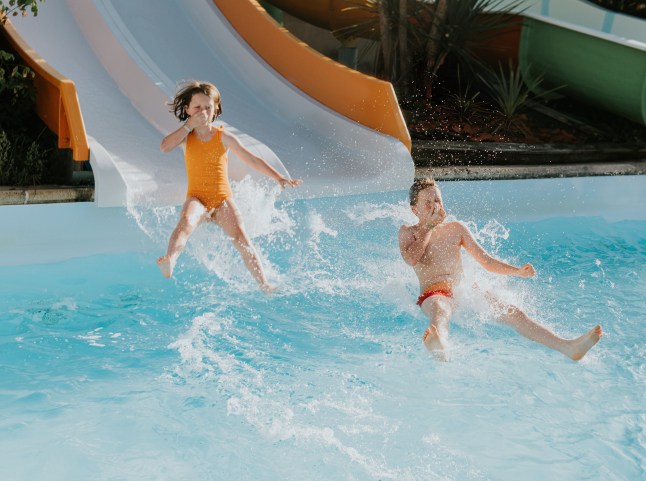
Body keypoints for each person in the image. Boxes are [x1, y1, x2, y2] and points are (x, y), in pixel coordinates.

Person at [399, 177, 602, 360]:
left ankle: (568, 347)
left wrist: (517, 271)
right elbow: (411, 259)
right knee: (440, 309)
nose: (435, 206)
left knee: (514, 312)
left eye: (437, 200)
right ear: (415, 210)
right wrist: (428, 227)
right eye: (428, 202)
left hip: (463, 290)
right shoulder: (409, 232)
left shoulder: (456, 229)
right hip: (434, 293)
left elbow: (486, 261)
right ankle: (440, 346)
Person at [157, 81, 301, 291]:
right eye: (197, 108)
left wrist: (278, 177)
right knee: (186, 221)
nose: (203, 112)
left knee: (241, 237)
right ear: (187, 110)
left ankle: (264, 284)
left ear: (215, 109)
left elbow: (252, 159)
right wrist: (188, 125)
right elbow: (164, 147)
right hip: (197, 197)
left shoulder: (223, 136)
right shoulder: (186, 137)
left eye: (208, 107)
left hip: (222, 199)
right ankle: (170, 259)